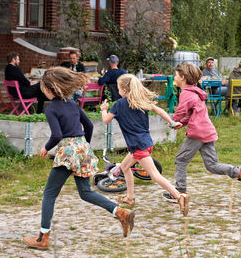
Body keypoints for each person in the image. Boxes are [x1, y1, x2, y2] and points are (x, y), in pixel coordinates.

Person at [23, 67, 134, 250]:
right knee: (85, 192)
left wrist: (45, 147)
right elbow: (89, 125)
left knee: (49, 194)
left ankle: (43, 237)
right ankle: (120, 212)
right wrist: (84, 147)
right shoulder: (73, 104)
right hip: (83, 148)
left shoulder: (51, 110)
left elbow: (57, 135)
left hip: (68, 152)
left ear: (49, 90)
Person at [100, 74, 189, 215]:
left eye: (118, 88)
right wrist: (171, 122)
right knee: (124, 167)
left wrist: (104, 109)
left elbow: (106, 120)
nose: (118, 91)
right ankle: (130, 198)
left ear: (124, 89)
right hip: (144, 143)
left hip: (138, 146)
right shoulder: (140, 101)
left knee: (154, 175)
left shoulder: (118, 105)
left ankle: (179, 196)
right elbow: (159, 110)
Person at [163, 62, 241, 202]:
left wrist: (173, 121)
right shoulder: (195, 91)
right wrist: (183, 123)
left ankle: (179, 193)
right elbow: (194, 113)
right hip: (207, 131)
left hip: (198, 133)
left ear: (183, 77)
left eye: (176, 75)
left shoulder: (186, 93)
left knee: (180, 160)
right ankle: (239, 172)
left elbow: (180, 112)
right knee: (212, 165)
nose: (174, 77)